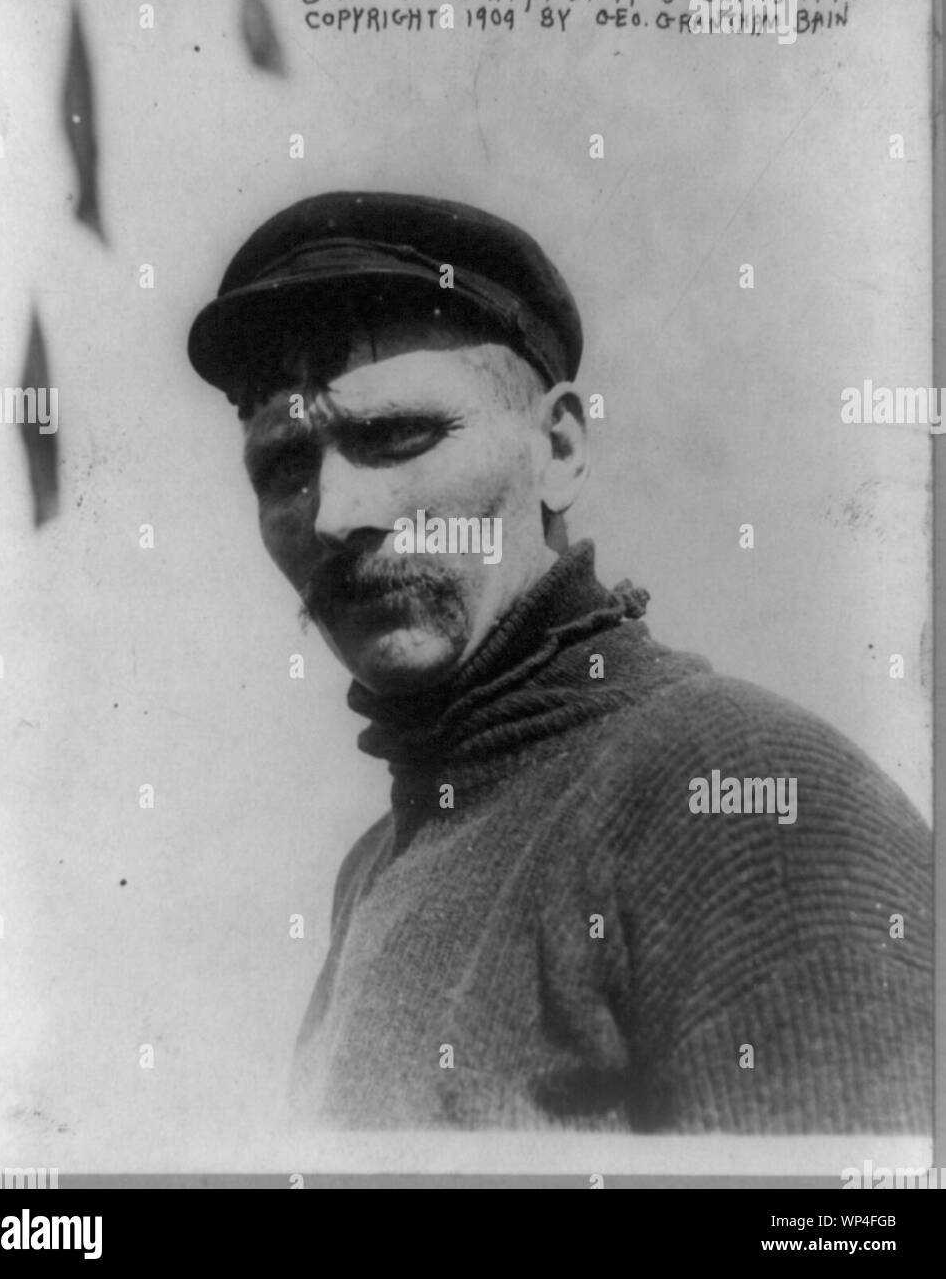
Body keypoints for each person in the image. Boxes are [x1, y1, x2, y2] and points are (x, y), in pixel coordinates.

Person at [188, 190, 932, 1132]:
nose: (335, 514)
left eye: (395, 438)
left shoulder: (743, 795)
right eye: (283, 467)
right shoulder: (375, 870)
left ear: (558, 449)